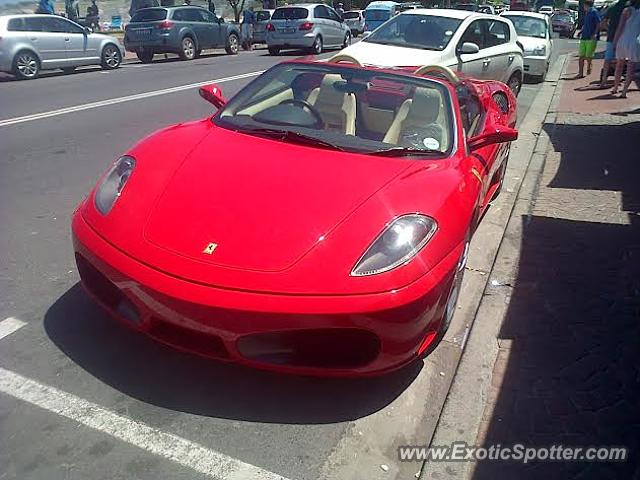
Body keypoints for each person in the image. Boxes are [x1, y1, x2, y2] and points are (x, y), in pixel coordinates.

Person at [612, 0, 640, 97]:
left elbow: (620, 27)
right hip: (634, 41)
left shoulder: (626, 10)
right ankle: (624, 91)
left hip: (623, 39)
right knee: (630, 68)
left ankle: (615, 87)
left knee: (619, 64)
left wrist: (615, 41)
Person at [599, 0, 628, 87]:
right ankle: (617, 80)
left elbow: (603, 23)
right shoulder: (629, 7)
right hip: (623, 36)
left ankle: (604, 80)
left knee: (608, 59)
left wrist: (609, 29)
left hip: (611, 36)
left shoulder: (612, 6)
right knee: (620, 60)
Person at [577, 0, 601, 77]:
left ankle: (589, 66)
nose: (583, 7)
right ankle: (580, 73)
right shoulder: (586, 13)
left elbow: (598, 23)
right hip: (584, 37)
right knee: (581, 56)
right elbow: (585, 24)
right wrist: (580, 32)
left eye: (584, 5)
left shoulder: (594, 12)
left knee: (588, 56)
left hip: (591, 38)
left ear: (587, 5)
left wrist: (595, 34)